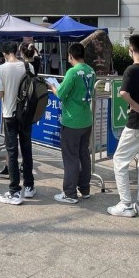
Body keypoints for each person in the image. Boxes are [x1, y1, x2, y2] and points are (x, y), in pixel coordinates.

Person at [107, 34, 139, 219]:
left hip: (135, 122)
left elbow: (123, 92)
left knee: (119, 160)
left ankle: (126, 203)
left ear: (131, 49)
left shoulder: (130, 70)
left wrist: (138, 108)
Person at [50, 43, 95, 204]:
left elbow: (61, 94)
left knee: (70, 157)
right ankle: (85, 189)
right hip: (86, 119)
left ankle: (69, 193)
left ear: (70, 55)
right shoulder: (91, 71)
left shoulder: (72, 72)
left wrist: (53, 86)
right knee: (84, 155)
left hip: (72, 121)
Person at [0, 41, 34, 205]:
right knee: (26, 148)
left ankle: (14, 191)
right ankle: (29, 186)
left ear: (4, 53)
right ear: (16, 51)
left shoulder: (1, 69)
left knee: (11, 152)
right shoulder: (28, 67)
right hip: (26, 114)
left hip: (10, 114)